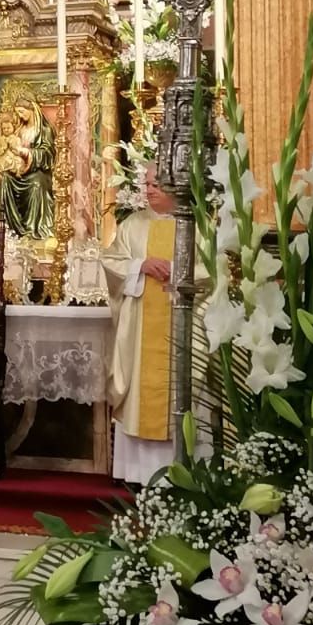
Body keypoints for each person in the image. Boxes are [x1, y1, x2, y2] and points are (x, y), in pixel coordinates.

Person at [101, 164, 177, 483]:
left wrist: (177, 271)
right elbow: (111, 261)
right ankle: (137, 475)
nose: (150, 189)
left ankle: (177, 473)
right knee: (139, 396)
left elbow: (212, 274)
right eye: (146, 184)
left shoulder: (195, 225)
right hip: (140, 330)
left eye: (156, 183)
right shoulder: (132, 224)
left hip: (176, 329)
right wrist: (140, 265)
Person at [0, 97, 55, 244]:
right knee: (5, 180)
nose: (20, 116)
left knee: (36, 185)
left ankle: (32, 229)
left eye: (22, 112)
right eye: (18, 113)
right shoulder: (18, 130)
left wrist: (27, 153)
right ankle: (11, 228)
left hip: (37, 171)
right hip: (18, 170)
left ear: (32, 109)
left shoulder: (44, 131)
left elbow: (48, 154)